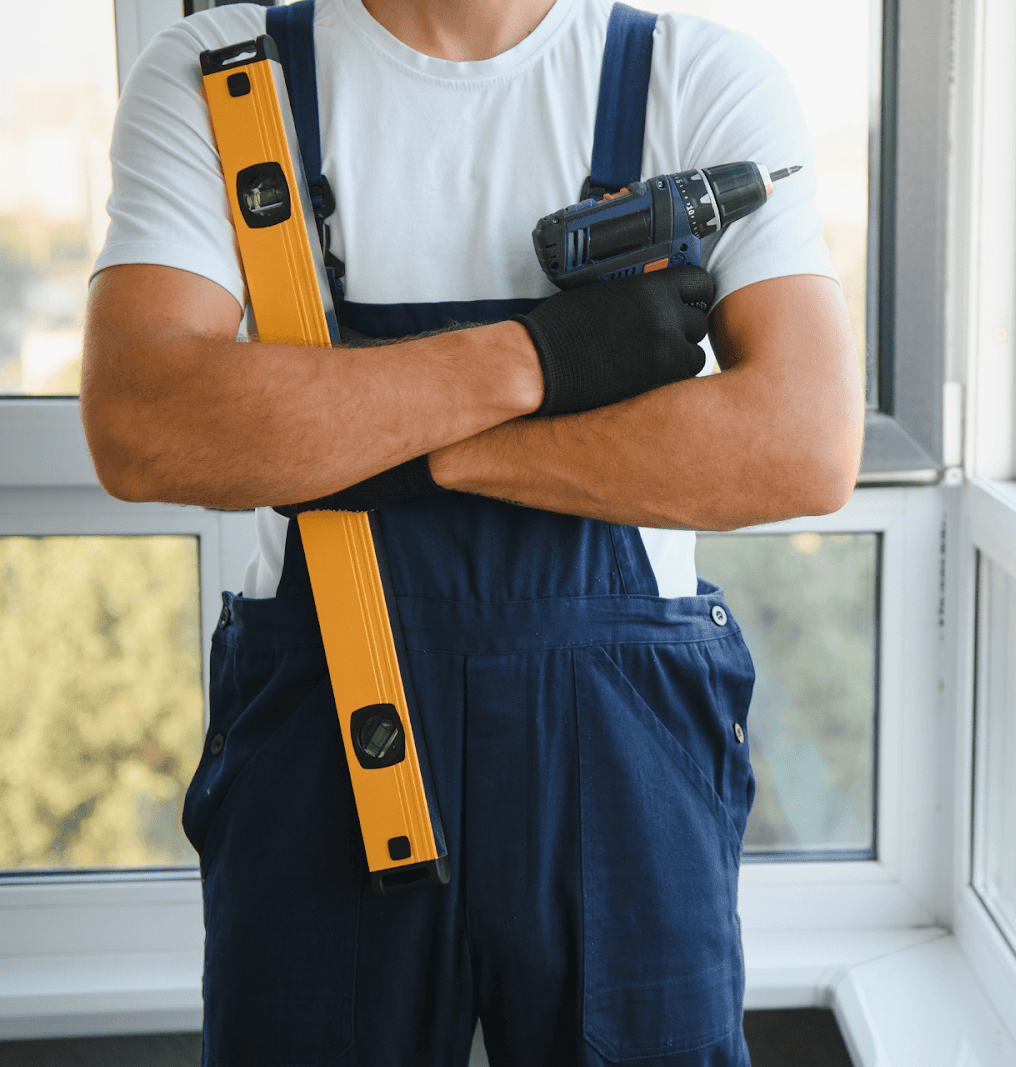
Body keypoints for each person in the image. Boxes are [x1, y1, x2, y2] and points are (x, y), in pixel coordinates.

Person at [78, 0, 863, 1062]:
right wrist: (536, 361)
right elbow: (146, 424)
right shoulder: (226, 74)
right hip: (328, 736)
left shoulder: (693, 77)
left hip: (623, 755)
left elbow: (800, 444)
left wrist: (394, 445)